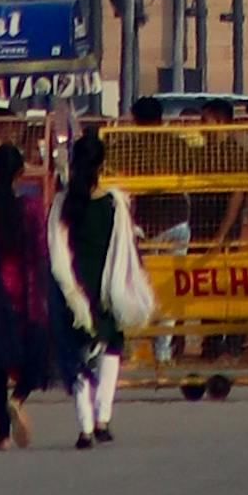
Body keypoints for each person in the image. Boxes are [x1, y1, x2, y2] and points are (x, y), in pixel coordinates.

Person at [48, 126, 152, 448]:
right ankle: (102, 418)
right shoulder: (114, 202)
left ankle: (85, 427)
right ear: (101, 165)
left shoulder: (62, 202)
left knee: (78, 354)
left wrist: (68, 291)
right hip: (107, 287)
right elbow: (126, 246)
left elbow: (56, 249)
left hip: (76, 287)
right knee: (111, 349)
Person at [0, 140, 59, 449]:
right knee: (37, 357)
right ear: (20, 173)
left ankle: (3, 436)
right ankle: (19, 399)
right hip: (27, 291)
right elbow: (42, 253)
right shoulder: (30, 209)